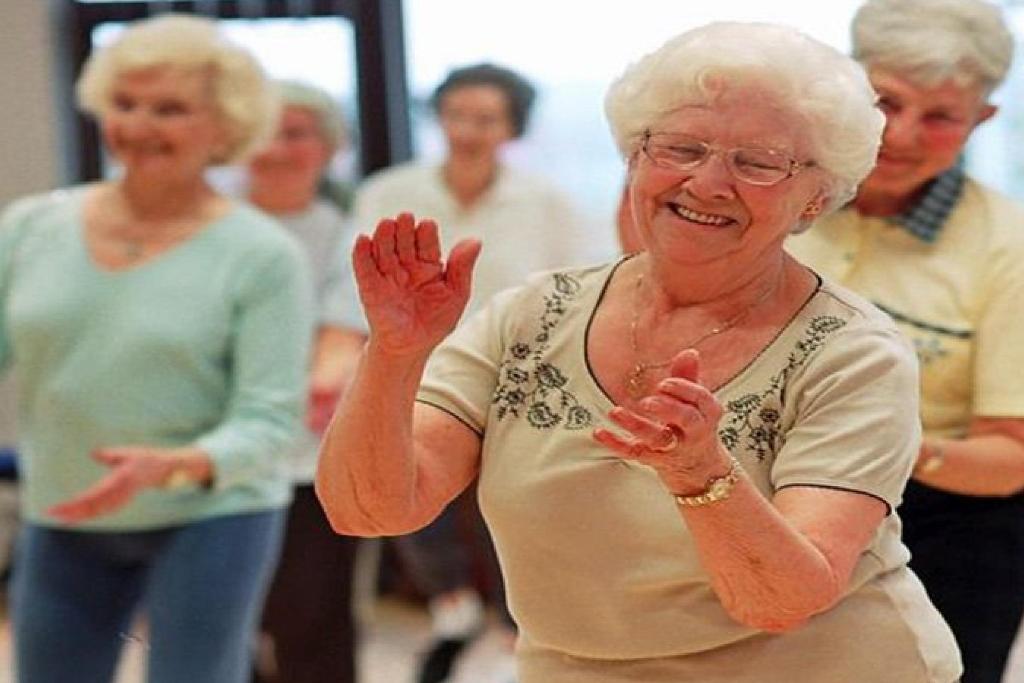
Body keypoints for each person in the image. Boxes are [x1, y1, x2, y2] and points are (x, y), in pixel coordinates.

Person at [316, 21, 963, 683]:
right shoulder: (530, 316)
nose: (708, 182)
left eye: (759, 162)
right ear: (635, 157)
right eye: (681, 147)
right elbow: (370, 508)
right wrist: (395, 355)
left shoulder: (855, 354)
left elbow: (781, 600)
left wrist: (701, 474)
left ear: (815, 198)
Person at [1, 15, 313, 683]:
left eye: (168, 108)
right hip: (63, 506)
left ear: (224, 126)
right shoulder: (30, 228)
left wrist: (172, 465)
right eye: (125, 103)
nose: (138, 126)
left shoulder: (262, 255)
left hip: (212, 513)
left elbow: (269, 419)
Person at [786, 1, 1024, 681]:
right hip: (757, 500)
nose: (903, 133)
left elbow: (1011, 453)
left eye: (943, 116)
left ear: (982, 121)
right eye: (886, 100)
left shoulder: (1009, 246)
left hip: (945, 532)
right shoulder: (774, 196)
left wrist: (871, 442)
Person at [351, 61, 602, 682]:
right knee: (408, 490)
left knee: (509, 506)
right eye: (457, 115)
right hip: (412, 374)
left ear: (511, 127)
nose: (468, 130)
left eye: (485, 118)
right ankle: (450, 607)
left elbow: (577, 297)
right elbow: (351, 291)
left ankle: (512, 629)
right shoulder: (388, 192)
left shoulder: (547, 203)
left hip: (516, 384)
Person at [246, 79, 366, 683]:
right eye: (263, 130)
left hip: (308, 462)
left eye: (293, 133)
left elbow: (344, 336)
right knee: (222, 623)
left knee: (313, 621)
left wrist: (323, 381)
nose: (275, 147)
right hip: (205, 461)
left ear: (327, 147)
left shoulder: (346, 232)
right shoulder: (211, 228)